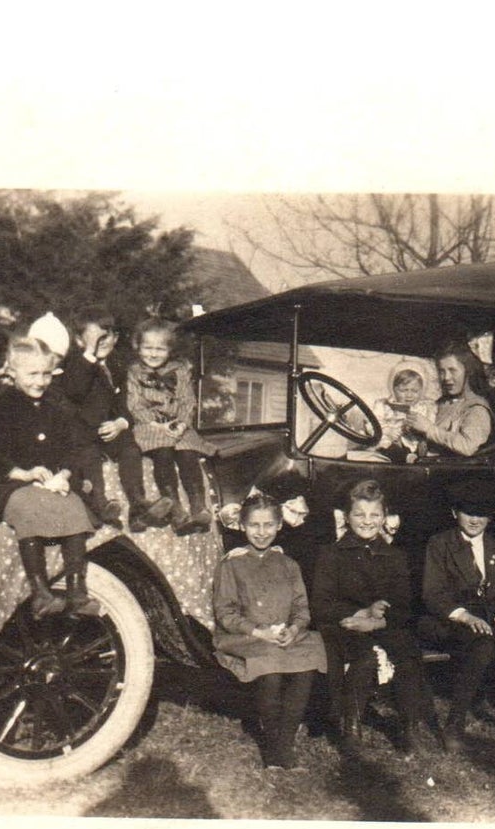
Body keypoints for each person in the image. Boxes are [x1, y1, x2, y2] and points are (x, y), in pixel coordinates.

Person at [0, 332, 103, 620]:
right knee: (28, 506)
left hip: (49, 481)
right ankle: (40, 591)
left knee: (74, 506)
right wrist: (24, 474)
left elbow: (72, 447)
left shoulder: (57, 406)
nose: (39, 381)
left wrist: (64, 474)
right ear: (11, 372)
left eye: (46, 374)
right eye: (31, 374)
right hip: (5, 482)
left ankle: (78, 591)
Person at [312, 478, 440, 756]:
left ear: (384, 518)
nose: (367, 521)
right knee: (363, 655)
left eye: (374, 515)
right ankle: (352, 727)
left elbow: (404, 605)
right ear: (347, 517)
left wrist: (379, 620)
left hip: (382, 624)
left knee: (406, 653)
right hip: (343, 625)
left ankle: (409, 727)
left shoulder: (395, 556)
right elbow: (321, 604)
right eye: (359, 514)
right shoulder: (331, 554)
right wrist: (357, 614)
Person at [211, 491, 328, 770]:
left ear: (279, 526)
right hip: (245, 636)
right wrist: (258, 631)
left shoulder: (289, 565)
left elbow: (301, 608)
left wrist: (295, 628)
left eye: (267, 525)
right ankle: (276, 751)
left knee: (309, 658)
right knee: (271, 669)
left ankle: (284, 739)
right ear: (242, 526)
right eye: (254, 525)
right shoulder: (231, 564)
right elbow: (225, 613)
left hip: (283, 635)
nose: (261, 533)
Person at [419, 477, 495, 751]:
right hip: (448, 620)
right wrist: (464, 616)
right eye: (468, 512)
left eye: (482, 514)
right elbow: (433, 593)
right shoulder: (440, 544)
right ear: (454, 513)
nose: (475, 520)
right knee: (482, 645)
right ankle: (455, 723)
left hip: (490, 619)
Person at [54, 310, 149, 530]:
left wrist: (121, 423)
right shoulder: (74, 364)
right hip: (81, 431)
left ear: (115, 338)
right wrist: (89, 353)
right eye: (96, 338)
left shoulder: (116, 366)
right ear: (79, 340)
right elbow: (75, 391)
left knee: (130, 449)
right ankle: (100, 504)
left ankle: (138, 505)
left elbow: (124, 403)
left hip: (107, 430)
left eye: (107, 337)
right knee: (88, 456)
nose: (103, 343)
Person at [125, 316, 215, 534]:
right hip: (151, 426)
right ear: (138, 347)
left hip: (178, 424)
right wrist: (156, 424)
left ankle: (198, 504)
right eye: (147, 348)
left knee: (188, 454)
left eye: (160, 349)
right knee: (163, 454)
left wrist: (183, 423)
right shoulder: (134, 372)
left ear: (170, 350)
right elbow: (134, 405)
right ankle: (175, 509)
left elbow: (188, 401)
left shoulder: (180, 370)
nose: (153, 354)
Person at [404, 341, 495, 459]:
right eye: (442, 371)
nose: (446, 377)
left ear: (468, 372)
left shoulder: (476, 409)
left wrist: (429, 429)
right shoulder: (441, 404)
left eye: (452, 370)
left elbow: (467, 446)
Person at [373, 363, 429, 461]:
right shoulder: (383, 405)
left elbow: (427, 425)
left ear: (421, 391)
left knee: (424, 443)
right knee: (382, 441)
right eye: (404, 390)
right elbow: (373, 422)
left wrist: (419, 433)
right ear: (393, 389)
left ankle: (418, 457)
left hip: (412, 441)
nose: (409, 395)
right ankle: (404, 457)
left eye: (414, 391)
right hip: (390, 440)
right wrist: (387, 430)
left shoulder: (422, 408)